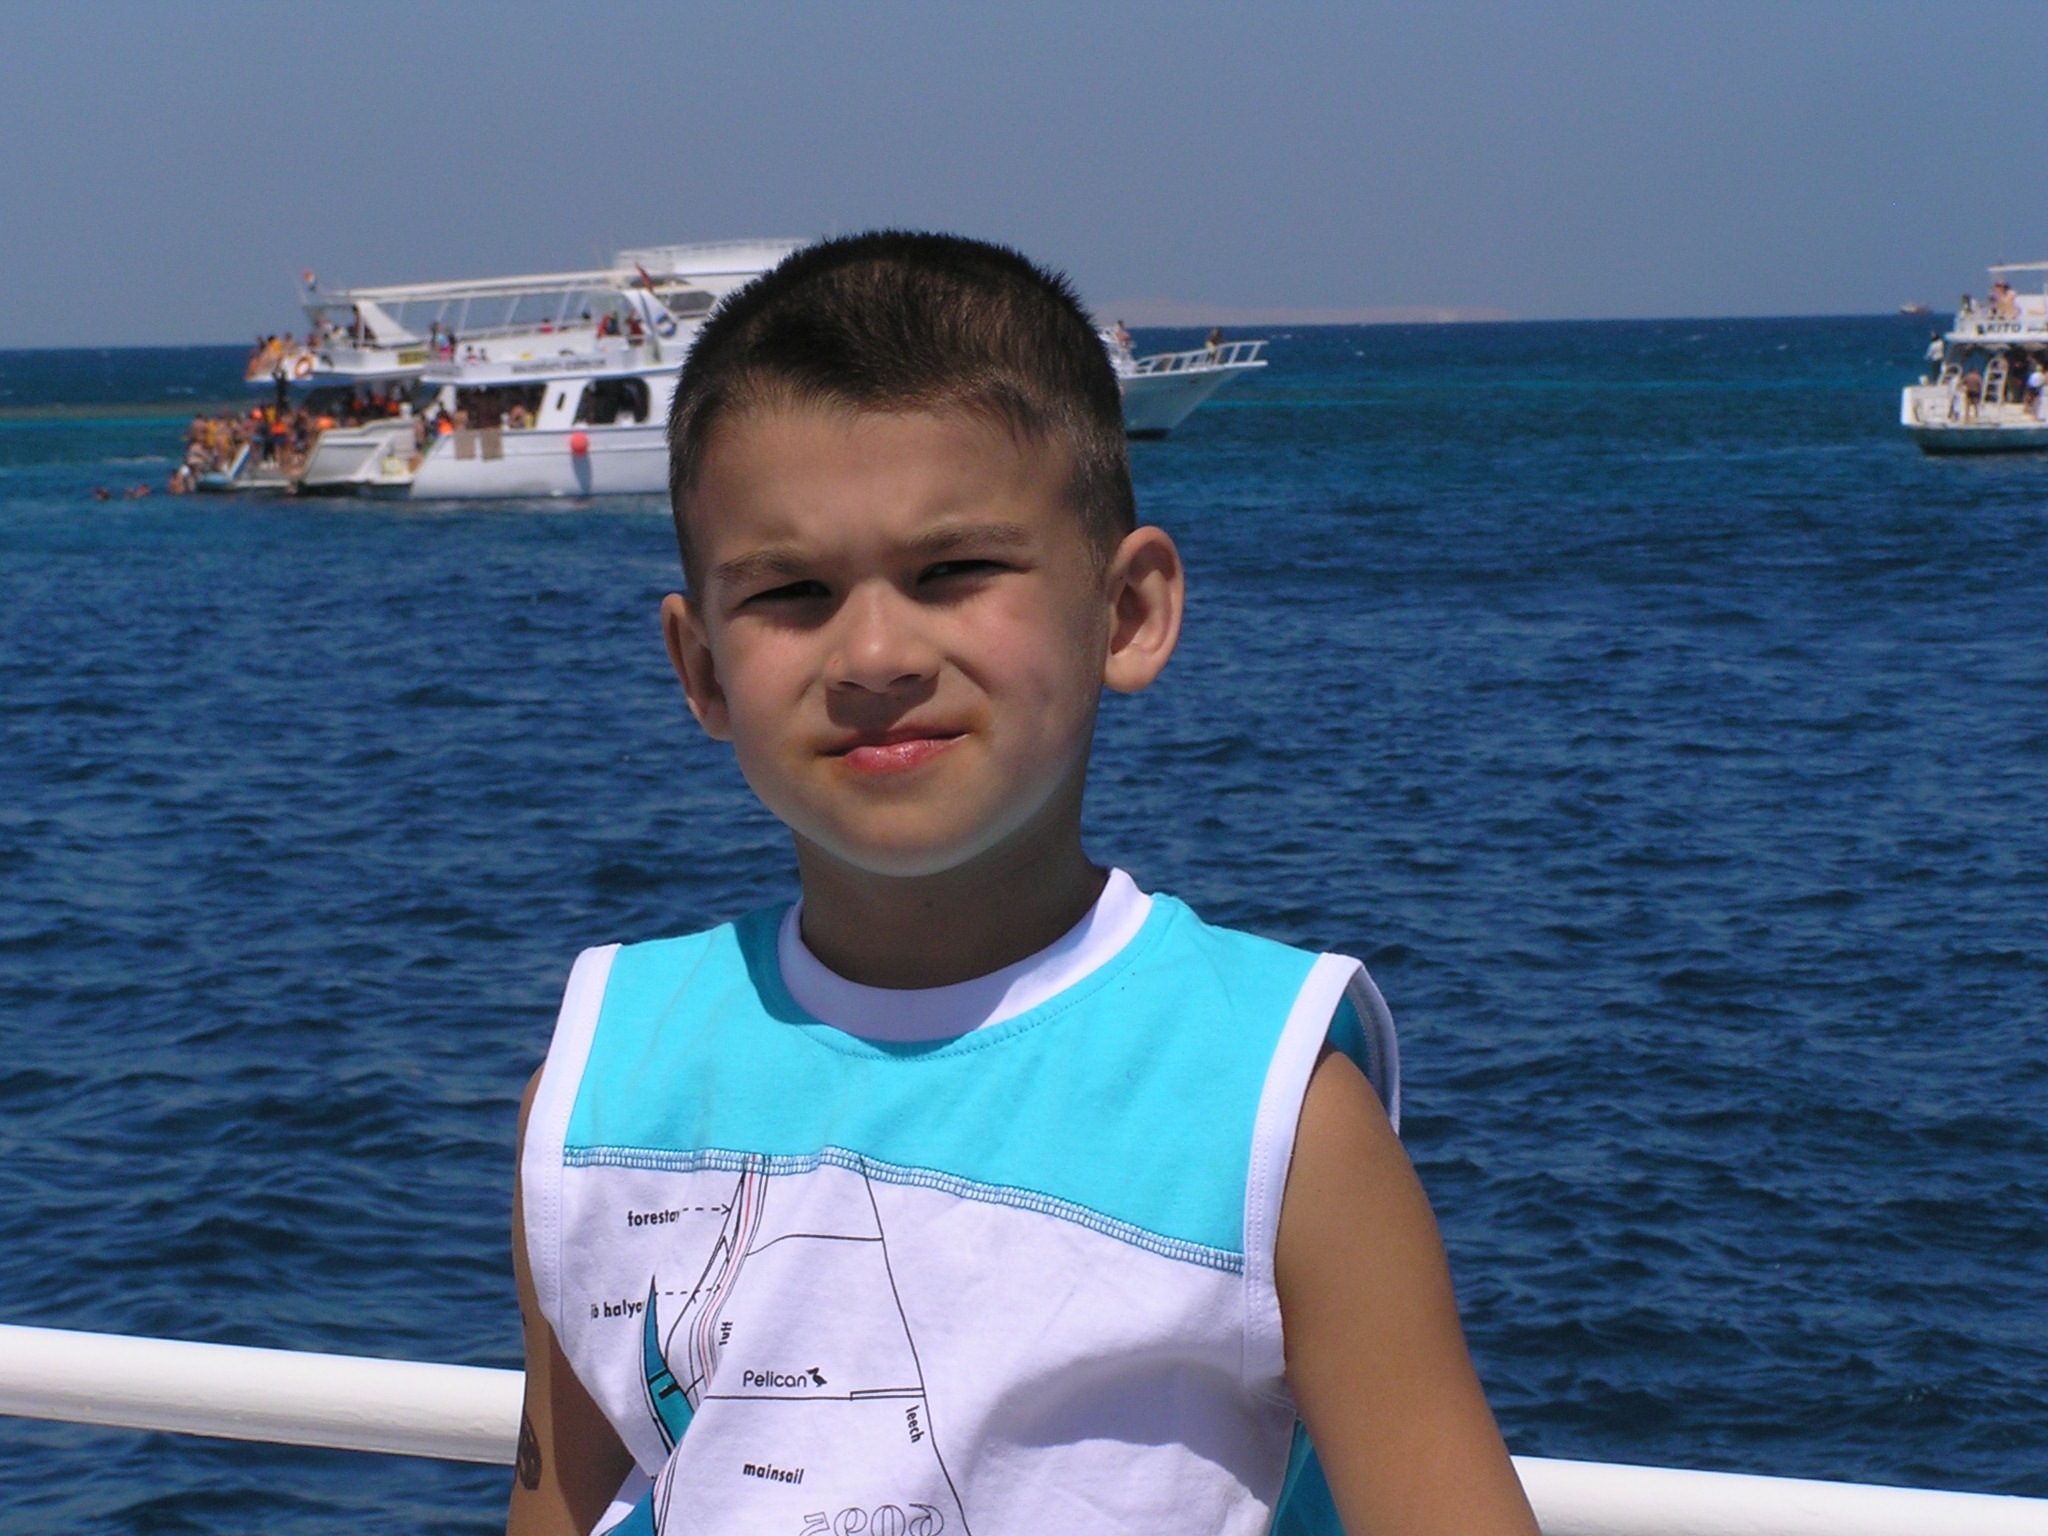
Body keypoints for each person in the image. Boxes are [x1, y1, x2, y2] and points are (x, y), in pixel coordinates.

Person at [507, 232, 1537, 1536]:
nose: (874, 653)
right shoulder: (605, 1089)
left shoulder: (1276, 1115)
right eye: (793, 591)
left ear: (1127, 613)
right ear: (701, 668)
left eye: (953, 572)